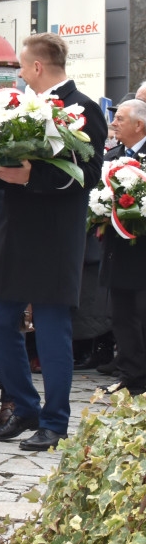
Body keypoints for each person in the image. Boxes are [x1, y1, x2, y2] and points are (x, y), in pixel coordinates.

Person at [0, 32, 107, 451]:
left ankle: (55, 422)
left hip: (57, 232)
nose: (18, 73)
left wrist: (33, 177)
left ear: (37, 66)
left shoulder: (84, 108)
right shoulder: (16, 106)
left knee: (52, 328)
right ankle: (25, 406)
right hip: (15, 229)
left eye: (21, 65)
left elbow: (88, 175)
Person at [97, 97, 146, 396]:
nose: (113, 123)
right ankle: (130, 377)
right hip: (117, 248)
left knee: (142, 315)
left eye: (121, 119)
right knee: (122, 316)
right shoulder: (112, 155)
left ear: (139, 125)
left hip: (143, 250)